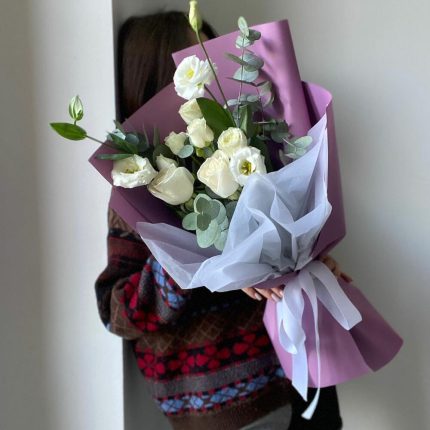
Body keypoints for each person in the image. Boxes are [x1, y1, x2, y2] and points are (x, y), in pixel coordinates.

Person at [95, 10, 344, 430]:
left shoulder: (246, 151)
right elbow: (116, 311)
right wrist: (191, 257)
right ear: (160, 83)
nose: (215, 78)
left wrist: (308, 263)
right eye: (198, 67)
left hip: (300, 370)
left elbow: (277, 252)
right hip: (223, 407)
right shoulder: (134, 192)